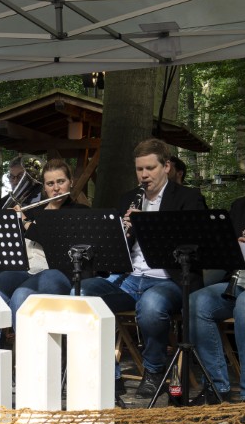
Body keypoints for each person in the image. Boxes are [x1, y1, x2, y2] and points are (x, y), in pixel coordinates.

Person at [79, 138, 207, 398]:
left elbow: (197, 244)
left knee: (151, 306)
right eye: (140, 169)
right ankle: (108, 374)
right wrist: (122, 233)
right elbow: (113, 251)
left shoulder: (187, 198)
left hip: (168, 280)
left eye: (150, 168)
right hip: (130, 278)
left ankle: (154, 370)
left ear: (167, 167)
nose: (144, 175)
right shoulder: (129, 198)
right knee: (83, 294)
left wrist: (148, 225)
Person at [0, 158, 85, 344]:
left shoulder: (78, 211)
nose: (56, 188)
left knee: (22, 296)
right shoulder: (36, 211)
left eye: (61, 182)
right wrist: (10, 225)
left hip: (58, 272)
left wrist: (27, 225)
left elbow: (60, 242)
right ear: (44, 187)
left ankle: (27, 363)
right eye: (50, 183)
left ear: (71, 182)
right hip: (26, 269)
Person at [187, 154, 245, 404]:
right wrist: (232, 247)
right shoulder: (242, 206)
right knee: (196, 303)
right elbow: (222, 254)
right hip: (238, 282)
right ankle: (217, 385)